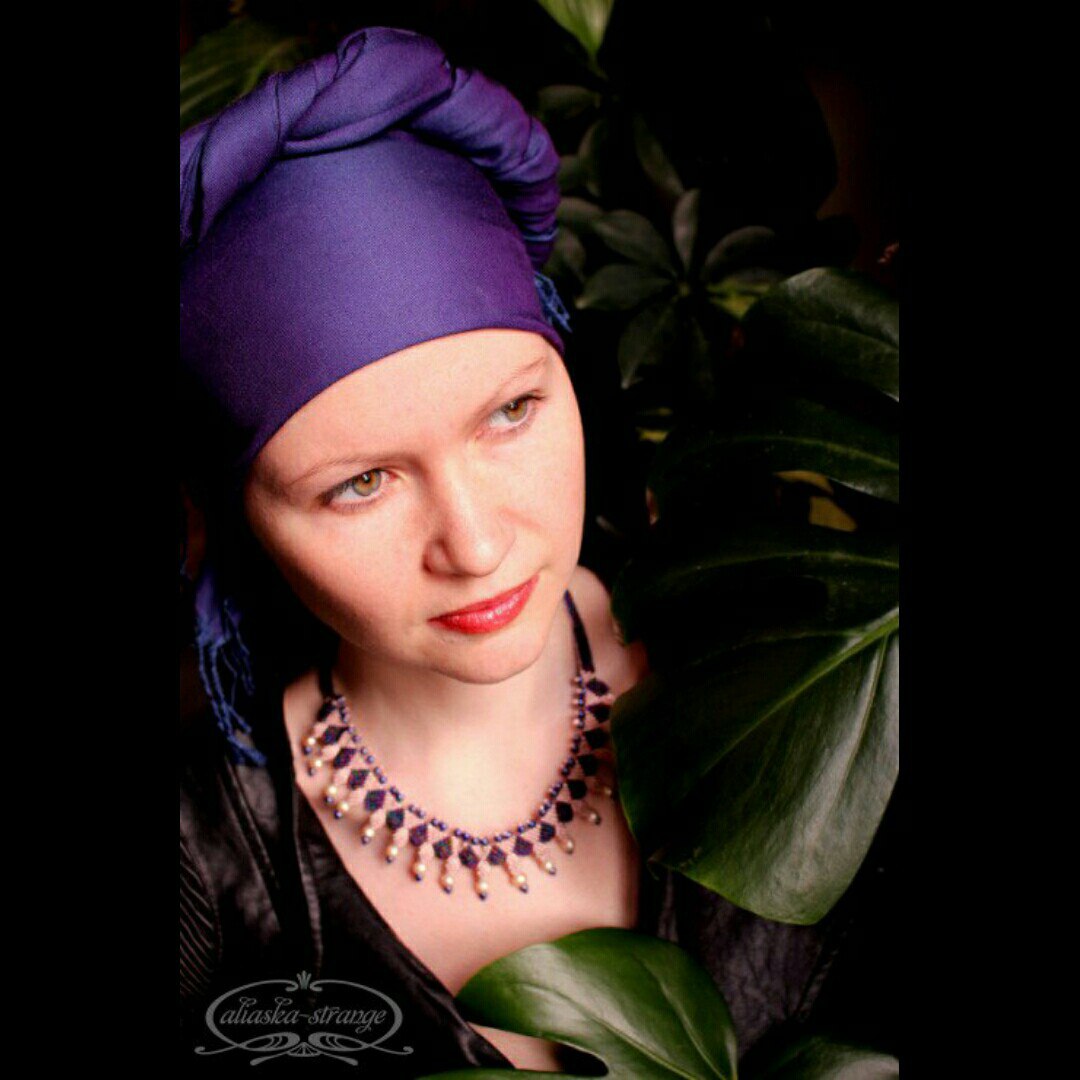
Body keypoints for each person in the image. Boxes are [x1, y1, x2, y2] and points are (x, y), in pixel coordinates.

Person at [179, 24, 881, 1077]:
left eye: (510, 413)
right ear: (242, 517)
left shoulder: (797, 660)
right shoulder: (205, 860)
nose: (476, 544)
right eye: (360, 483)